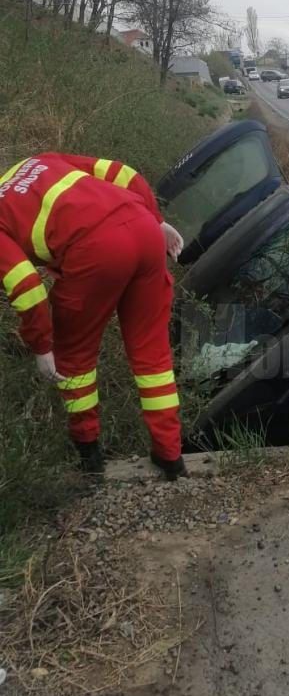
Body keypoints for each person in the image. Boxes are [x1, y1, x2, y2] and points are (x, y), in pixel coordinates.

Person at [0, 152, 186, 478]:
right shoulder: (37, 161)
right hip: (141, 225)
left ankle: (90, 460)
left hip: (94, 251)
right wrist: (156, 221)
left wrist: (42, 347)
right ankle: (170, 457)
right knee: (153, 357)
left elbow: (27, 286)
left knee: (75, 359)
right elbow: (122, 172)